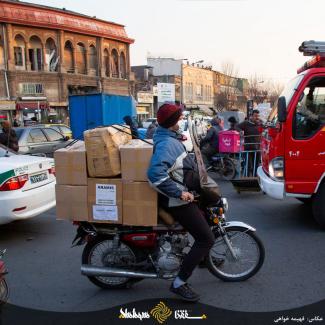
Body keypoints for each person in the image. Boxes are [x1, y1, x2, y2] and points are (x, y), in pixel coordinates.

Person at [147, 103, 215, 302]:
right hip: (175, 201)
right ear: (172, 123)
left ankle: (203, 258)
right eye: (179, 118)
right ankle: (179, 283)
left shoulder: (169, 137)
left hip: (182, 192)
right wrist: (179, 194)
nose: (182, 120)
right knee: (206, 239)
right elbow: (154, 174)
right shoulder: (168, 144)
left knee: (206, 215)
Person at [238, 109, 261, 176]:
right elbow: (236, 127)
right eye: (255, 116)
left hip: (257, 148)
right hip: (248, 147)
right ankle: (247, 177)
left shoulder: (259, 124)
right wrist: (240, 131)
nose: (257, 118)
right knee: (248, 164)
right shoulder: (246, 123)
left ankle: (255, 177)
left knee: (256, 164)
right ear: (251, 116)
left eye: (258, 116)